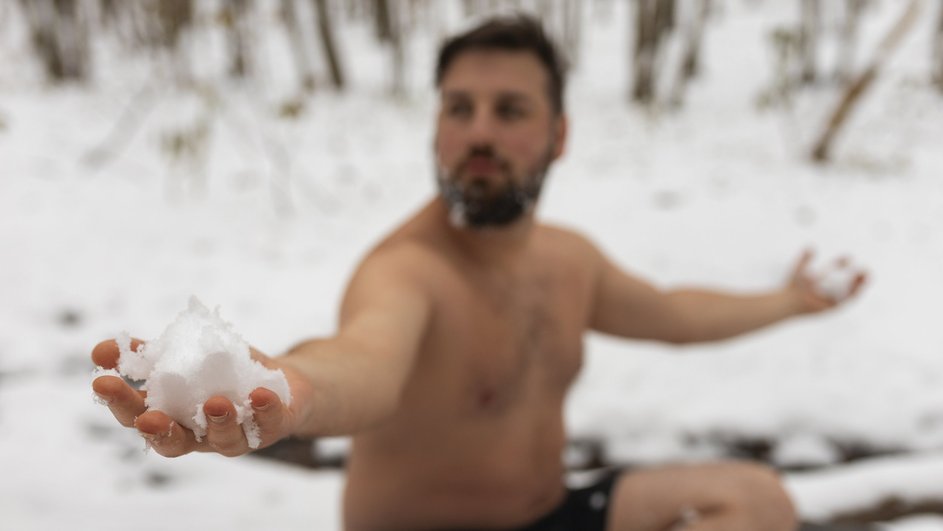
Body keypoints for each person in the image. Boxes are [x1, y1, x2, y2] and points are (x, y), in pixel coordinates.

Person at [92, 15, 867, 531]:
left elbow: (671, 311)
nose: (478, 133)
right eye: (458, 108)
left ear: (558, 133)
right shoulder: (408, 270)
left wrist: (787, 302)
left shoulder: (568, 259)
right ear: (435, 126)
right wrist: (289, 391)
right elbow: (364, 357)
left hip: (547, 510)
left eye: (509, 109)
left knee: (756, 500)